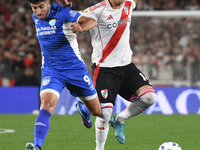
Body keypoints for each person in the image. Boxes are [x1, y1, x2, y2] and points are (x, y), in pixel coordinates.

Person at [70, 0, 157, 149]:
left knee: (150, 97)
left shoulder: (129, 4)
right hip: (105, 69)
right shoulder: (98, 9)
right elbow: (79, 18)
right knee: (104, 114)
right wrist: (80, 26)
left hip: (127, 67)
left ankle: (119, 119)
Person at [25, 0, 102, 150]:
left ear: (48, 3)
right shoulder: (37, 16)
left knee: (96, 111)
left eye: (41, 7)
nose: (39, 12)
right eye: (35, 8)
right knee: (46, 105)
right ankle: (37, 146)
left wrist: (81, 27)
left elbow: (92, 21)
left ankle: (84, 109)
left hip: (75, 70)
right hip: (52, 70)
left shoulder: (63, 12)